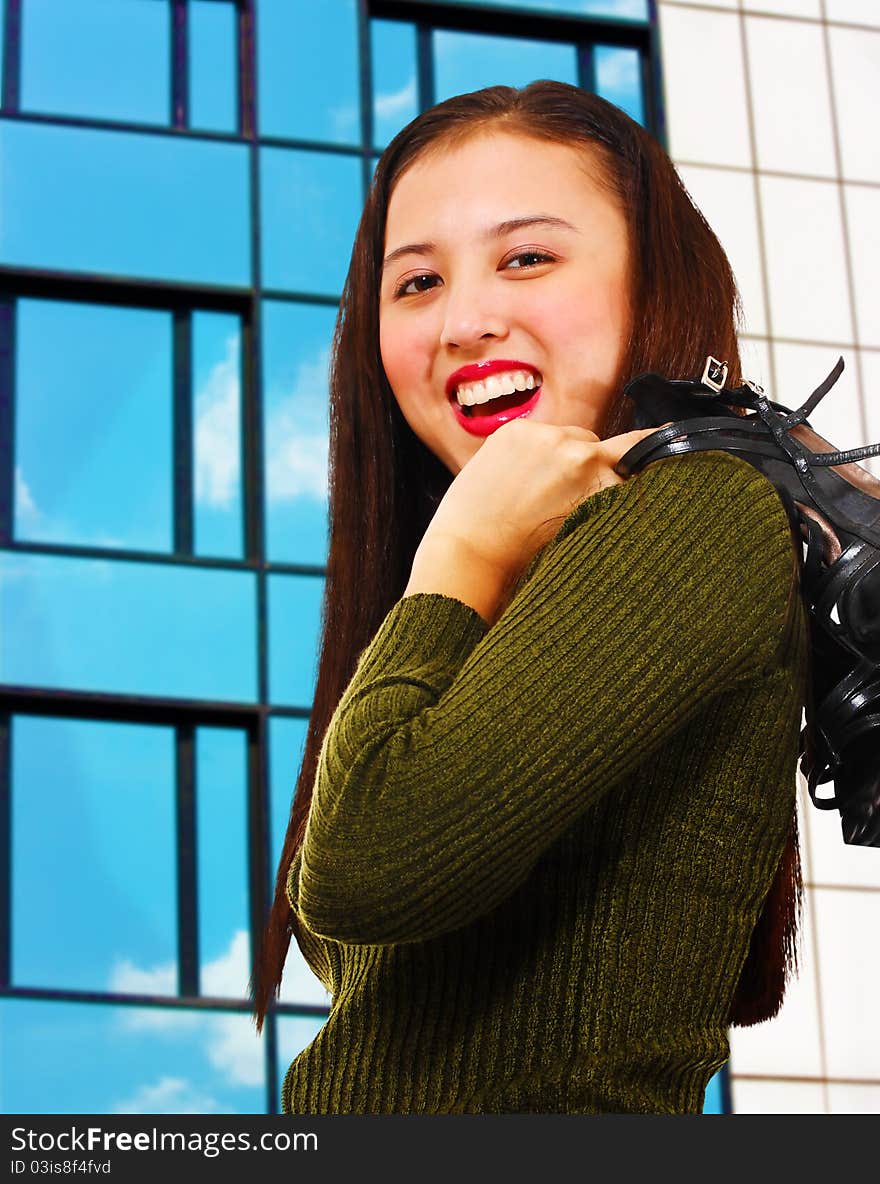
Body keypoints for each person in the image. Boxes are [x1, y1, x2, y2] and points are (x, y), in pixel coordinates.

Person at [251, 80, 812, 1115]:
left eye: (526, 257)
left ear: (656, 281)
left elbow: (373, 866)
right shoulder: (513, 583)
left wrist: (457, 548)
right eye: (414, 282)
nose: (465, 319)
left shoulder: (695, 509)